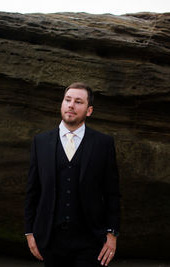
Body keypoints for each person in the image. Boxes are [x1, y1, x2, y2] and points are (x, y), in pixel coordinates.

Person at [24, 82, 121, 267]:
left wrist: (112, 234)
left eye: (78, 102)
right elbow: (32, 191)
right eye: (67, 100)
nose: (71, 105)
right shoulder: (41, 142)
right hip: (51, 240)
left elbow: (112, 193)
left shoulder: (104, 143)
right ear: (61, 104)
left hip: (91, 240)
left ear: (89, 110)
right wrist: (29, 232)